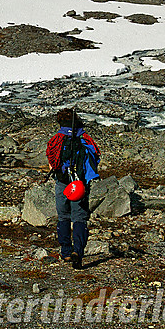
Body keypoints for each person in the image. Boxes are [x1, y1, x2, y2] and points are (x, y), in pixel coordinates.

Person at [46, 109, 100, 270]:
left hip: (63, 182)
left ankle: (66, 252)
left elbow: (51, 160)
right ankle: (78, 252)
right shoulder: (85, 138)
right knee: (79, 218)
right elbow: (95, 156)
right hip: (80, 183)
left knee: (63, 217)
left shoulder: (56, 139)